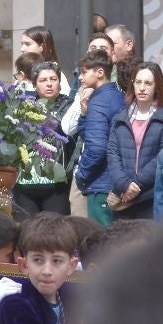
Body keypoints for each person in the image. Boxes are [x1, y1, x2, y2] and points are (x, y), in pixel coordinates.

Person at [106, 61, 163, 219]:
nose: (142, 88)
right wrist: (124, 184)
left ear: (157, 86)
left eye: (148, 83)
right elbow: (112, 154)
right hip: (123, 196)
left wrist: (136, 184)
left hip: (151, 198)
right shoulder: (120, 117)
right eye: (138, 82)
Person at [12, 61, 73, 218]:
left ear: (59, 82)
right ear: (34, 85)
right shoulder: (23, 105)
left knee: (56, 229)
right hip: (24, 182)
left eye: (53, 79)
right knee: (25, 229)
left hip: (56, 182)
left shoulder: (69, 105)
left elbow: (59, 127)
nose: (49, 84)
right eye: (43, 80)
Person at [72, 50, 126, 225]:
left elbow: (96, 148)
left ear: (100, 72)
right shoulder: (119, 96)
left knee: (101, 239)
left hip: (101, 183)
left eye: (84, 72)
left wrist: (81, 175)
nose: (80, 77)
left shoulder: (99, 101)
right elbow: (90, 135)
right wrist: (84, 114)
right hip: (118, 181)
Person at [20, 25, 69, 94]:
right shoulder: (24, 72)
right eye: (22, 44)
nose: (22, 49)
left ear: (42, 46)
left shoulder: (55, 73)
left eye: (28, 44)